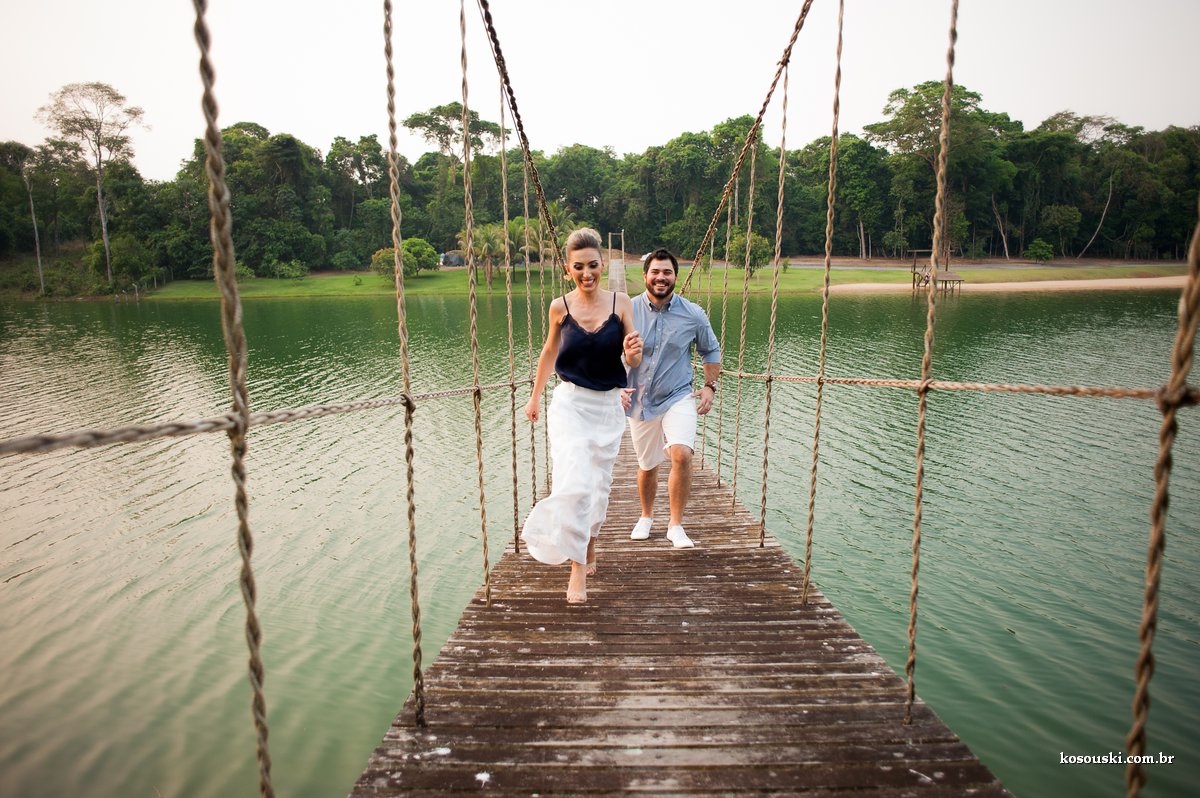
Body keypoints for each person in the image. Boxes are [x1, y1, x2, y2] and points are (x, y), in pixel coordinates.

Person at [522, 228, 643, 604]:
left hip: (607, 407)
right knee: (573, 481)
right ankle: (576, 566)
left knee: (598, 486)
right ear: (567, 269)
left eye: (593, 265)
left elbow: (633, 359)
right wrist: (534, 396)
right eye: (579, 267)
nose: (586, 273)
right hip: (570, 405)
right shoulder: (559, 307)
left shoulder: (622, 303)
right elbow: (547, 353)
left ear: (602, 265)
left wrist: (633, 351)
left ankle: (590, 540)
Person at [625, 248, 721, 548]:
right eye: (655, 272)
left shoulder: (693, 313)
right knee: (647, 465)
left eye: (667, 272)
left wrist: (709, 386)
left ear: (676, 277)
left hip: (679, 394)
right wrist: (616, 383)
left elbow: (711, 351)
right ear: (645, 276)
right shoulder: (626, 311)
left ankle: (675, 525)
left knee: (681, 454)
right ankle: (646, 516)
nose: (661, 277)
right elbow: (609, 353)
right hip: (640, 399)